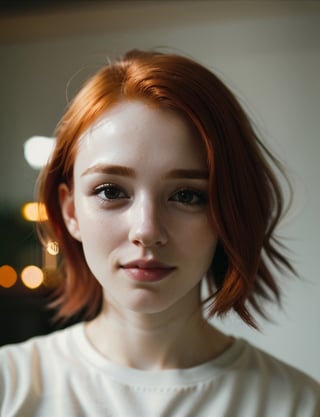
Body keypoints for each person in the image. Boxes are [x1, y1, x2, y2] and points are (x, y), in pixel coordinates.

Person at [0, 49, 319, 417]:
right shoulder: (10, 387)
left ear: (228, 211)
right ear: (71, 211)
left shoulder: (298, 405)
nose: (147, 230)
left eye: (187, 195)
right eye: (111, 191)